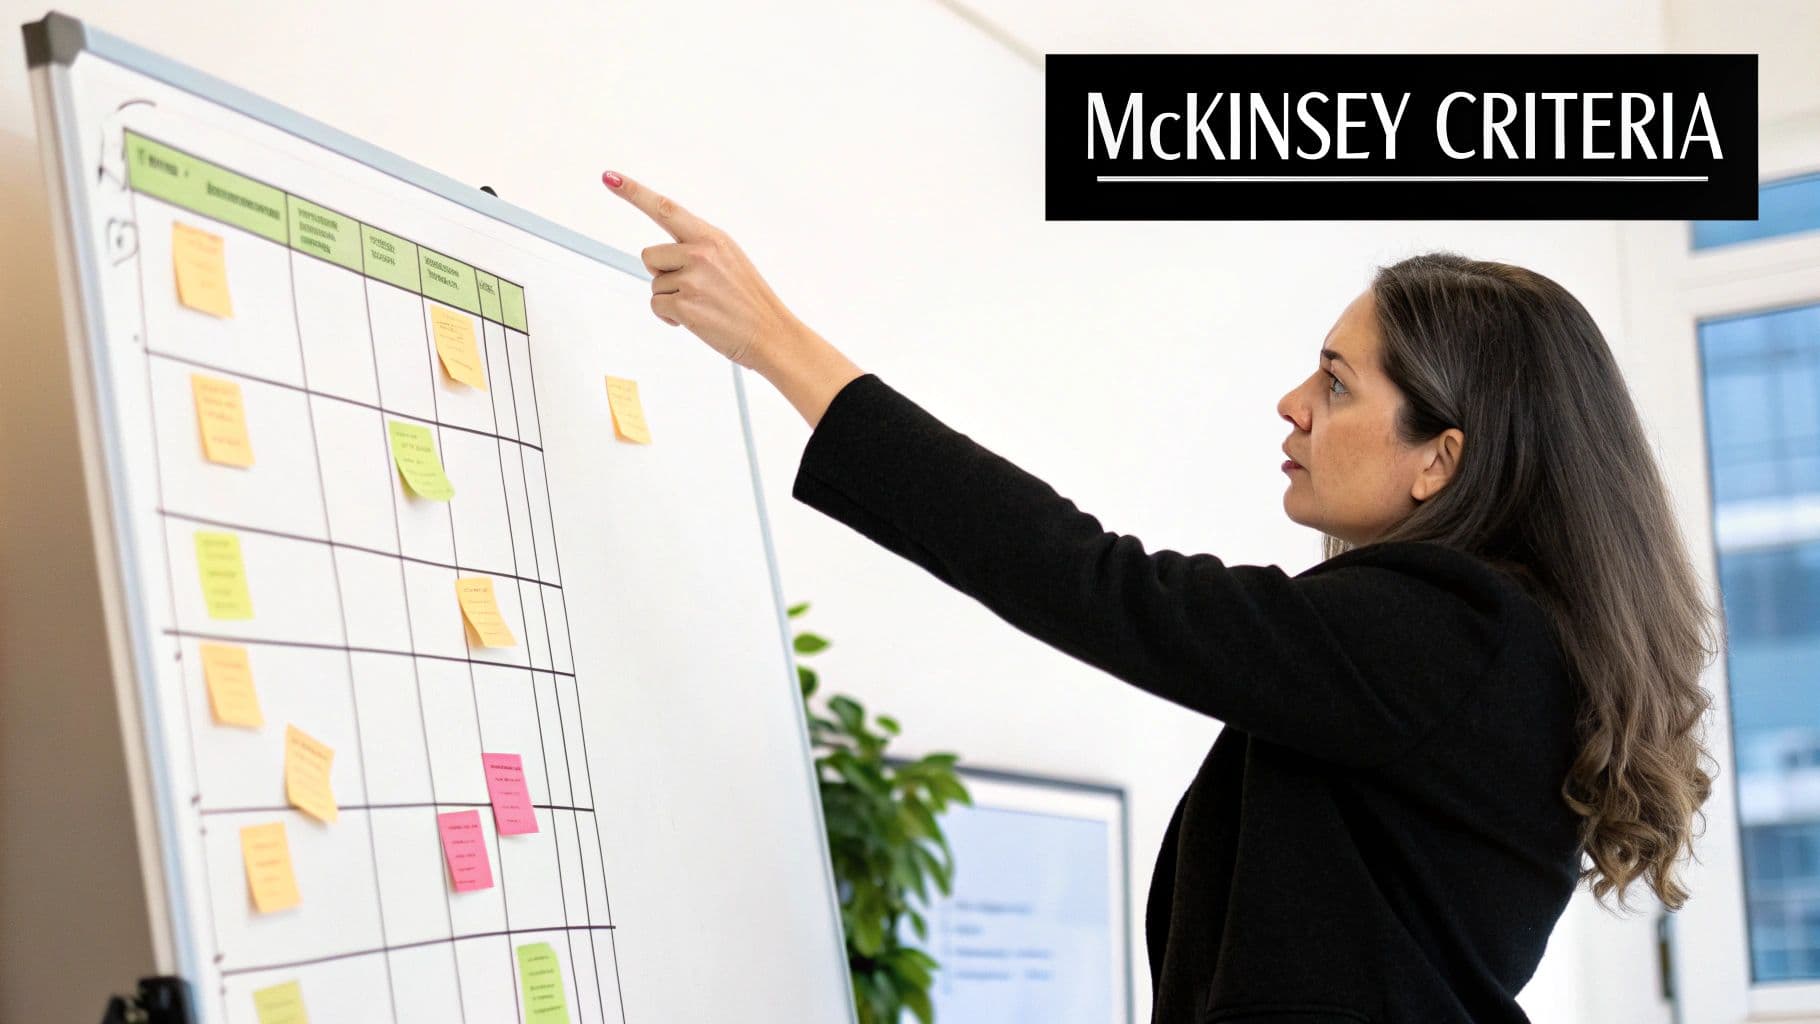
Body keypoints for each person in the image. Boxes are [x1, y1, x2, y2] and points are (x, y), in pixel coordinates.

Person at [599, 170, 1719, 1023]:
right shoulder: (1502, 650)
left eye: (1334, 383)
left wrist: (784, 347)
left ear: (1439, 458)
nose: (1290, 404)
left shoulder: (1452, 633)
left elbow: (1096, 583)